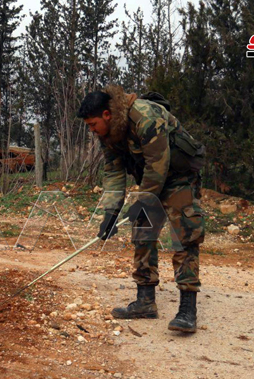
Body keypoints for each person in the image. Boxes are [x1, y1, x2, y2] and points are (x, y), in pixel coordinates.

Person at [78, 85, 206, 333]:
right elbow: (113, 171)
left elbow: (159, 164)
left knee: (185, 235)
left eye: (93, 124)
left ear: (107, 114)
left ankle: (187, 311)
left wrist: (142, 202)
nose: (92, 130)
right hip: (152, 177)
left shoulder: (145, 116)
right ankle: (145, 302)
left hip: (178, 176)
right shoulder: (107, 134)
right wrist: (111, 213)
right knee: (142, 232)